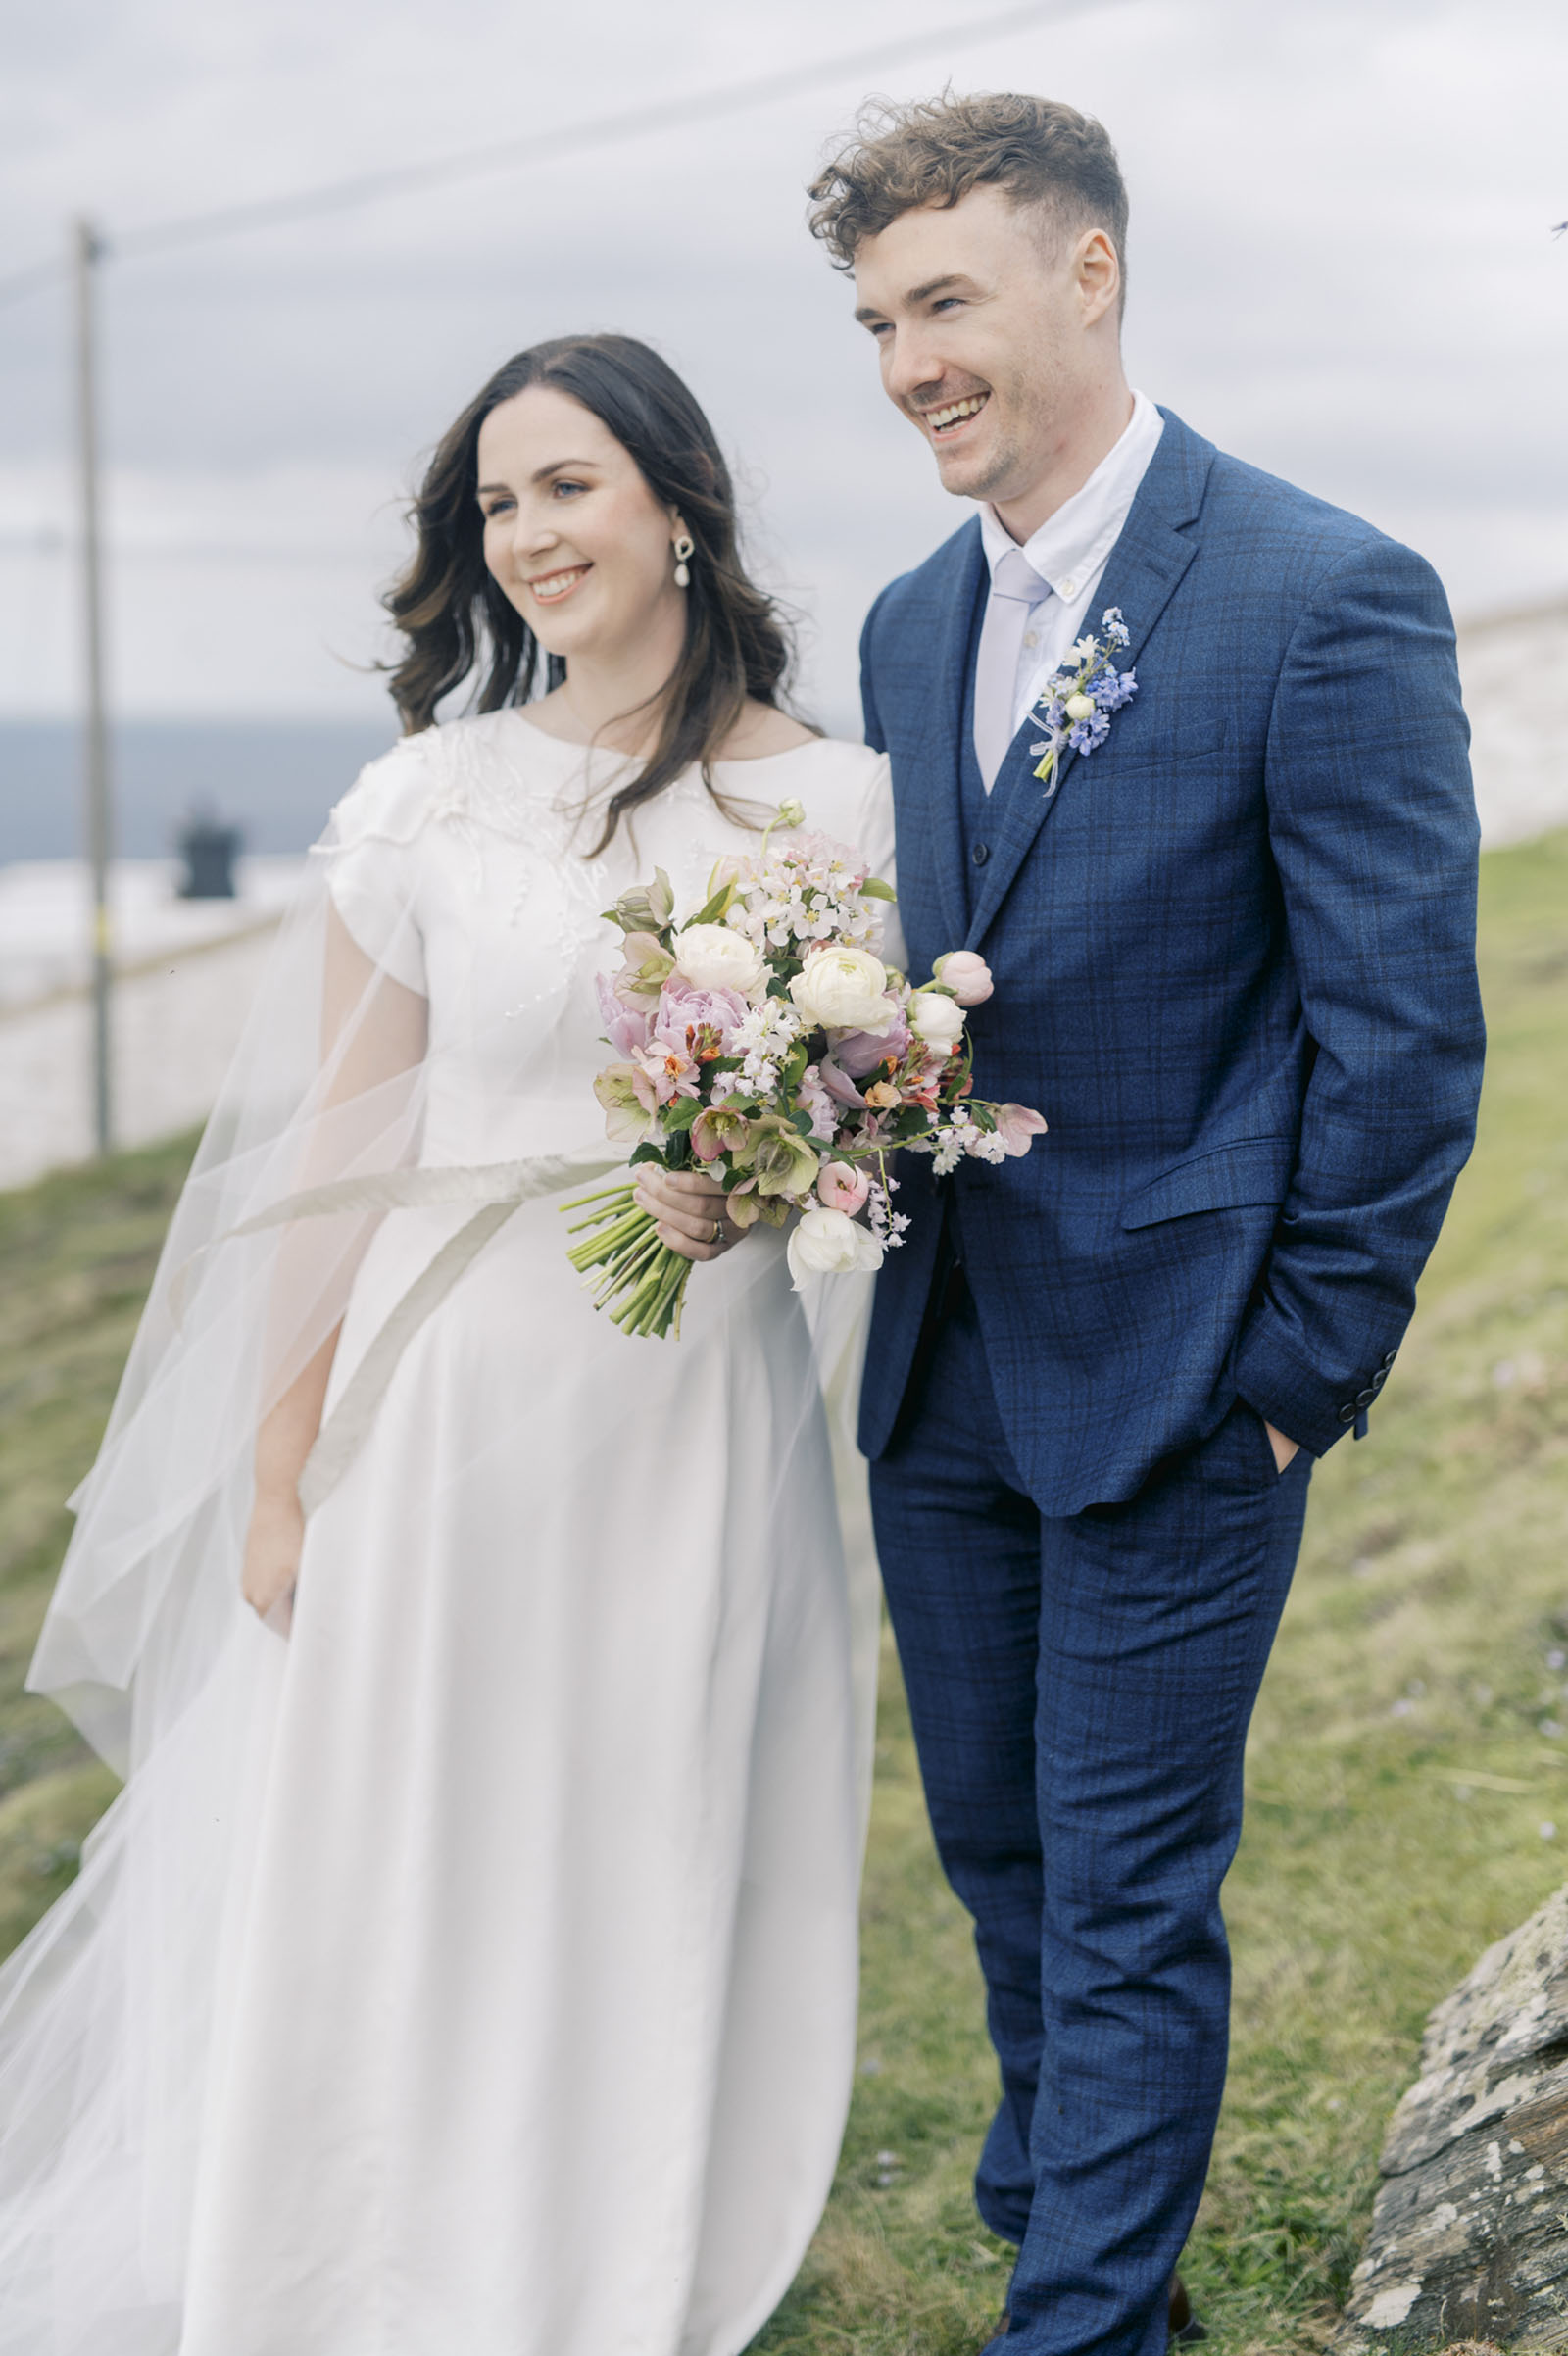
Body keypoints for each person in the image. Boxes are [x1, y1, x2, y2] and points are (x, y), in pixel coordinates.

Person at [0, 333, 893, 2356]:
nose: (528, 533)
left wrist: (761, 1183)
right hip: (444, 1408)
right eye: (497, 502)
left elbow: (850, 1120)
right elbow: (338, 1147)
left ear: (676, 499)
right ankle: (360, 2270)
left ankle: (600, 2266)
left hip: (692, 1419)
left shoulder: (839, 802)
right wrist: (277, 1464)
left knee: (641, 1843)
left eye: (565, 485)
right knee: (414, 1855)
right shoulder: (430, 799)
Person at [806, 92, 1485, 2356]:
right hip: (941, 1365)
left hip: (1192, 1368)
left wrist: (1299, 1372)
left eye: (947, 301)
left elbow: (1402, 1033)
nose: (909, 358)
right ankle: (1100, 2261)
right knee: (998, 1860)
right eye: (880, 317)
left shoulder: (1317, 590)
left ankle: (1072, 2326)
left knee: (1119, 1889)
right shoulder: (911, 628)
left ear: (1085, 273)